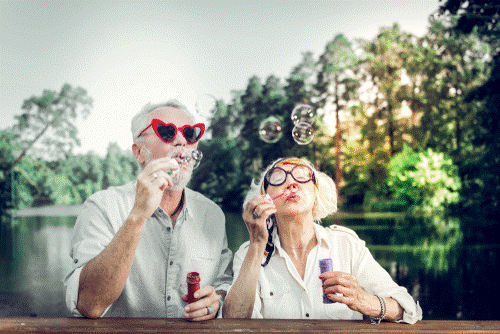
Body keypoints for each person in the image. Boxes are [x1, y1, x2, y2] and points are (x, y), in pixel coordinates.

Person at [64, 100, 233, 320]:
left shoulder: (212, 214)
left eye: (190, 134)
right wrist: (137, 216)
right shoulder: (102, 207)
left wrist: (215, 301)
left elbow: (224, 284)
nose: (181, 141)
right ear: (139, 152)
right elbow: (90, 305)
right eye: (167, 132)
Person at [223, 157, 422, 323]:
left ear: (317, 192)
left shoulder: (347, 246)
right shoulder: (249, 253)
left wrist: (366, 301)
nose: (291, 183)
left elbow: (408, 309)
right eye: (278, 178)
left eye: (302, 177)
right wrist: (257, 244)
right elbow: (233, 322)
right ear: (265, 197)